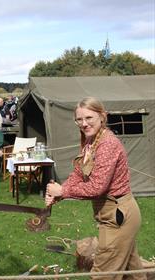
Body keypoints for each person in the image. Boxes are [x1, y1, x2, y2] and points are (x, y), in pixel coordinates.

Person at [45, 97, 146, 280]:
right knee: (133, 273)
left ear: (102, 116)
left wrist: (63, 191)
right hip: (116, 214)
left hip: (118, 217)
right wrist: (59, 193)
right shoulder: (90, 141)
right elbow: (79, 172)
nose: (84, 124)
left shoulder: (107, 145)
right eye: (79, 119)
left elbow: (97, 188)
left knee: (102, 275)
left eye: (89, 118)